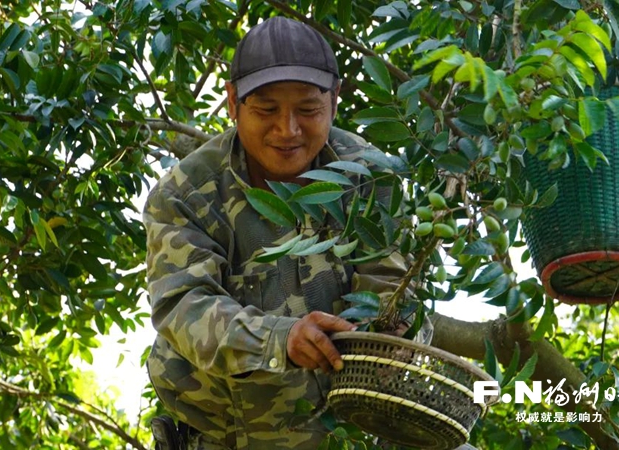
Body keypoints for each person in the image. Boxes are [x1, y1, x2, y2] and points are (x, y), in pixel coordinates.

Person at [143, 16, 422, 450]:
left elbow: (395, 283)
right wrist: (280, 338)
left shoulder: (371, 176)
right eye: (267, 109)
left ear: (334, 100)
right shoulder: (185, 194)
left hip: (344, 435)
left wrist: (386, 334)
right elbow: (184, 308)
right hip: (222, 438)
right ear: (233, 103)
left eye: (308, 110)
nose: (287, 130)